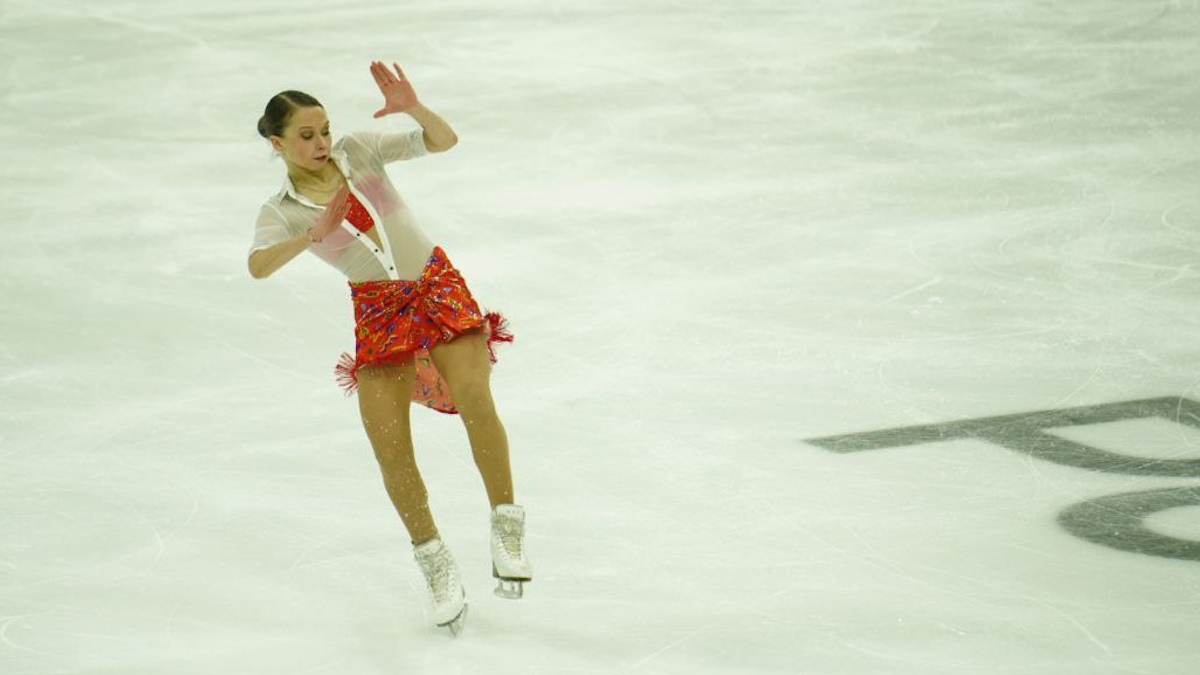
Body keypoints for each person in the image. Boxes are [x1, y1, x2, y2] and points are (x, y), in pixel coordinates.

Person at [247, 61, 531, 636]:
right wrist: (310, 236)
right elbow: (257, 267)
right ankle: (435, 563)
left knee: (475, 396)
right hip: (378, 309)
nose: (322, 142)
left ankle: (506, 526)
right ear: (277, 143)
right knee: (390, 445)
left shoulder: (359, 151)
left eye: (324, 129)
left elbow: (441, 141)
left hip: (434, 281)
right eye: (306, 136)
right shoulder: (280, 210)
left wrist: (413, 109)